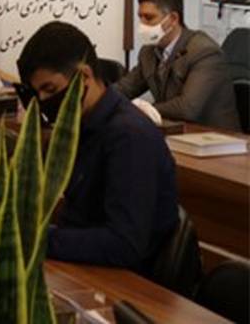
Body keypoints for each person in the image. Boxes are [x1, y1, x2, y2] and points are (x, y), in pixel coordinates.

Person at [17, 21, 178, 274]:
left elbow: (124, 245)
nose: (44, 102)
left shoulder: (129, 137)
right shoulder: (78, 126)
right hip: (82, 268)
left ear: (84, 77)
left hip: (126, 282)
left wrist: (36, 239)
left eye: (50, 89)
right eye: (38, 94)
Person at [115, 0, 239, 130]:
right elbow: (126, 88)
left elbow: (188, 108)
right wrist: (99, 98)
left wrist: (144, 108)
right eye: (140, 18)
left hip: (218, 137)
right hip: (175, 131)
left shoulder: (205, 52)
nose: (142, 25)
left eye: (149, 18)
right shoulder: (149, 51)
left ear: (173, 19)